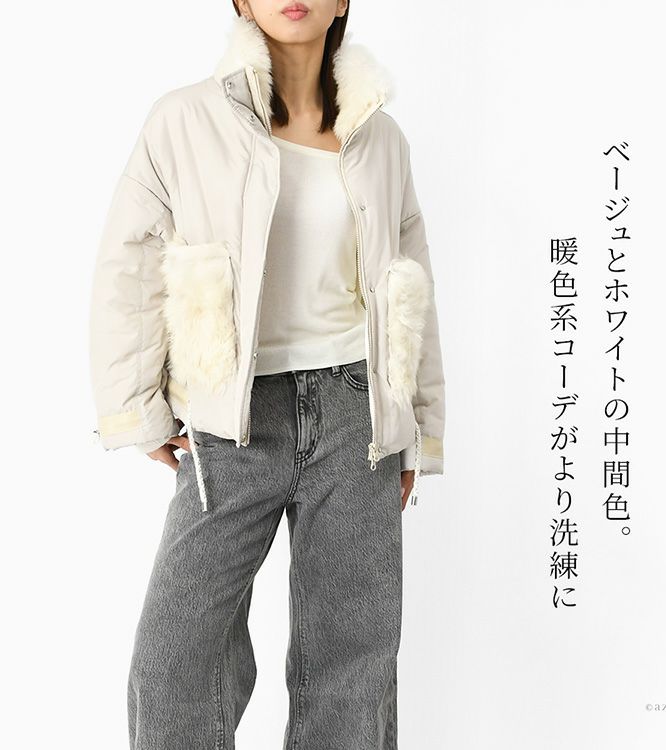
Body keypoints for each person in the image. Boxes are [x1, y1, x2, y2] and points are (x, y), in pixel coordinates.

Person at [88, 1, 445, 748]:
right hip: (232, 419)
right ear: (242, 3)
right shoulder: (184, 120)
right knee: (175, 662)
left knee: (353, 664)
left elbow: (409, 288)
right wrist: (137, 406)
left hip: (357, 416)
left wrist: (417, 428)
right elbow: (130, 263)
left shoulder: (379, 136)